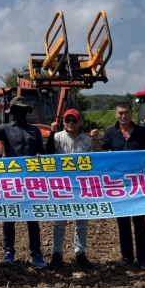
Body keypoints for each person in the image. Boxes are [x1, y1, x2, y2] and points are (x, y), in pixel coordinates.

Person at [0, 97, 47, 269]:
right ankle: (8, 251)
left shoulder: (35, 131)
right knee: (9, 217)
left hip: (30, 180)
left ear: (27, 112)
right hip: (11, 180)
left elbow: (41, 152)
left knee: (33, 219)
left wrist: (40, 156)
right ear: (12, 112)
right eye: (16, 110)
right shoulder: (5, 129)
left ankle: (36, 254)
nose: (20, 113)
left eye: (23, 110)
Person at [93, 101, 145, 270]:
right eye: (120, 113)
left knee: (140, 222)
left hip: (138, 184)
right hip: (119, 184)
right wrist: (94, 140)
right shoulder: (110, 133)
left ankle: (144, 259)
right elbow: (102, 154)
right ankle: (127, 257)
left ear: (132, 113)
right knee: (123, 221)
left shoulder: (142, 132)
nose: (123, 116)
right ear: (115, 114)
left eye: (126, 112)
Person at [45, 109, 93, 269]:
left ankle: (80, 253)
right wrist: (52, 132)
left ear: (80, 122)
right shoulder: (57, 137)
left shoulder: (87, 140)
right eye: (67, 120)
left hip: (81, 185)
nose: (70, 123)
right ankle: (57, 253)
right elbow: (49, 153)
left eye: (74, 120)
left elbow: (94, 162)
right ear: (63, 122)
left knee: (82, 222)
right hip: (62, 185)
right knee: (59, 222)